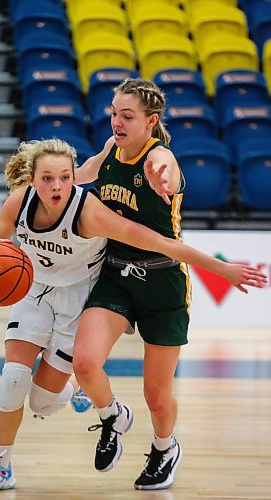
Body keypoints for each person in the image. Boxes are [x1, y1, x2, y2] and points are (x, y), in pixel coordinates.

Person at [0, 137, 265, 495]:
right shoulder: (19, 202)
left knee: (42, 402)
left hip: (76, 300)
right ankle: (1, 467)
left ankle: (77, 389)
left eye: (64, 177)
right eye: (46, 178)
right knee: (13, 380)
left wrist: (221, 269)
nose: (56, 186)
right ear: (31, 180)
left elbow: (160, 242)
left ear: (74, 177)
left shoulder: (88, 211)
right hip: (34, 293)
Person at [72, 78, 267, 491]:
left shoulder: (159, 157)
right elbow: (80, 175)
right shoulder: (110, 149)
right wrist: (46, 181)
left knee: (156, 395)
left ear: (151, 121)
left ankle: (165, 447)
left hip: (163, 279)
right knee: (85, 363)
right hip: (116, 272)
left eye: (127, 116)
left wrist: (164, 174)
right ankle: (112, 416)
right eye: (113, 113)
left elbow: (167, 169)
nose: (117, 122)